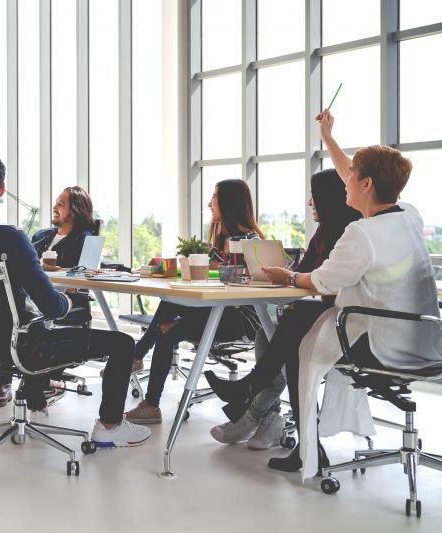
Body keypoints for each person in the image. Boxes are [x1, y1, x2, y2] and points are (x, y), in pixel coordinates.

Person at [206, 109, 442, 479]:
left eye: (350, 176)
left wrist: (287, 274)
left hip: (382, 344)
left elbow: (322, 282)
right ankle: (274, 411)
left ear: (365, 185)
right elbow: (359, 173)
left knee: (302, 327)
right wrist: (329, 139)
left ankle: (274, 411)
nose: (344, 179)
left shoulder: (361, 235)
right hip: (426, 339)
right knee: (302, 325)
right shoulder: (409, 216)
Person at [0, 151, 151, 446]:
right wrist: (66, 299)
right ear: (1, 191)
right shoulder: (11, 238)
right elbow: (53, 307)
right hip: (27, 344)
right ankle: (111, 426)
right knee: (123, 343)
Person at [207, 168, 361, 450]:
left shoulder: (350, 236)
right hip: (326, 315)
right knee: (267, 335)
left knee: (289, 338)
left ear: (328, 198)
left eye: (314, 196)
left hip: (347, 323)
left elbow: (325, 280)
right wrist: (284, 273)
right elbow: (304, 272)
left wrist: (291, 277)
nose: (310, 202)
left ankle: (251, 406)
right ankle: (261, 409)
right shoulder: (323, 233)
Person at [124, 179, 264, 425]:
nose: (210, 204)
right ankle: (146, 385)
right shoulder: (222, 239)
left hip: (238, 318)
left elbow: (236, 284)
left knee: (167, 323)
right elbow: (210, 274)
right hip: (215, 311)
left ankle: (139, 364)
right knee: (168, 309)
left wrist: (212, 268)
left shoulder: (249, 241)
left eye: (214, 197)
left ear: (229, 203)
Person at [0, 186, 100, 407]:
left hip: (57, 299)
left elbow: (81, 279)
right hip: (30, 297)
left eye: (61, 204)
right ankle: (12, 381)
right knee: (8, 311)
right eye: (56, 202)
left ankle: (16, 381)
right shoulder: (42, 235)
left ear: (75, 210)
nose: (54, 207)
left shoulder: (86, 240)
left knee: (15, 314)